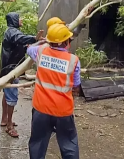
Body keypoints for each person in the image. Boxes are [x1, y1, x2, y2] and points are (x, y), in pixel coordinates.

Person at [26, 23, 81, 159]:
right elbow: (76, 86)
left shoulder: (40, 52)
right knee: (69, 144)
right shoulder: (74, 60)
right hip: (63, 111)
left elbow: (29, 49)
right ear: (66, 42)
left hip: (41, 109)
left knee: (37, 144)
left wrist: (41, 42)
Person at [0, 12, 43, 138]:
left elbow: (20, 44)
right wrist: (34, 38)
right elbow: (20, 38)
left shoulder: (12, 32)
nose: (21, 19)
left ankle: (4, 119)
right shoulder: (12, 31)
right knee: (12, 97)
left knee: (7, 94)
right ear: (14, 20)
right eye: (19, 18)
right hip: (11, 70)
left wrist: (34, 43)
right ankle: (9, 126)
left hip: (9, 68)